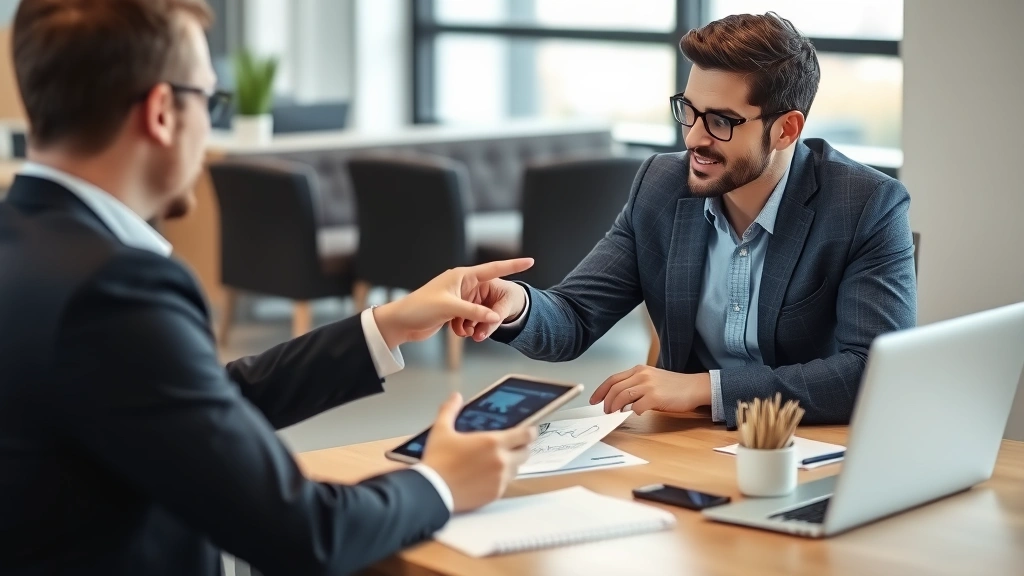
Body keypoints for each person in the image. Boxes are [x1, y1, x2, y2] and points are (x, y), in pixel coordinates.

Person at [0, 1, 536, 575]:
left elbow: (192, 405)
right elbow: (303, 533)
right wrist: (440, 483)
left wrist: (386, 326)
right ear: (162, 112)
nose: (210, 121)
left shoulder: (25, 245)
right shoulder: (115, 288)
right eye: (210, 100)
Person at [452, 12, 917, 429]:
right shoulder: (660, 184)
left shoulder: (866, 205)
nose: (695, 137)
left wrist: (701, 389)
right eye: (689, 111)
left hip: (809, 448)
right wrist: (516, 305)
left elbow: (870, 371)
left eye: (721, 122)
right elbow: (574, 318)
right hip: (686, 441)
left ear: (786, 129)